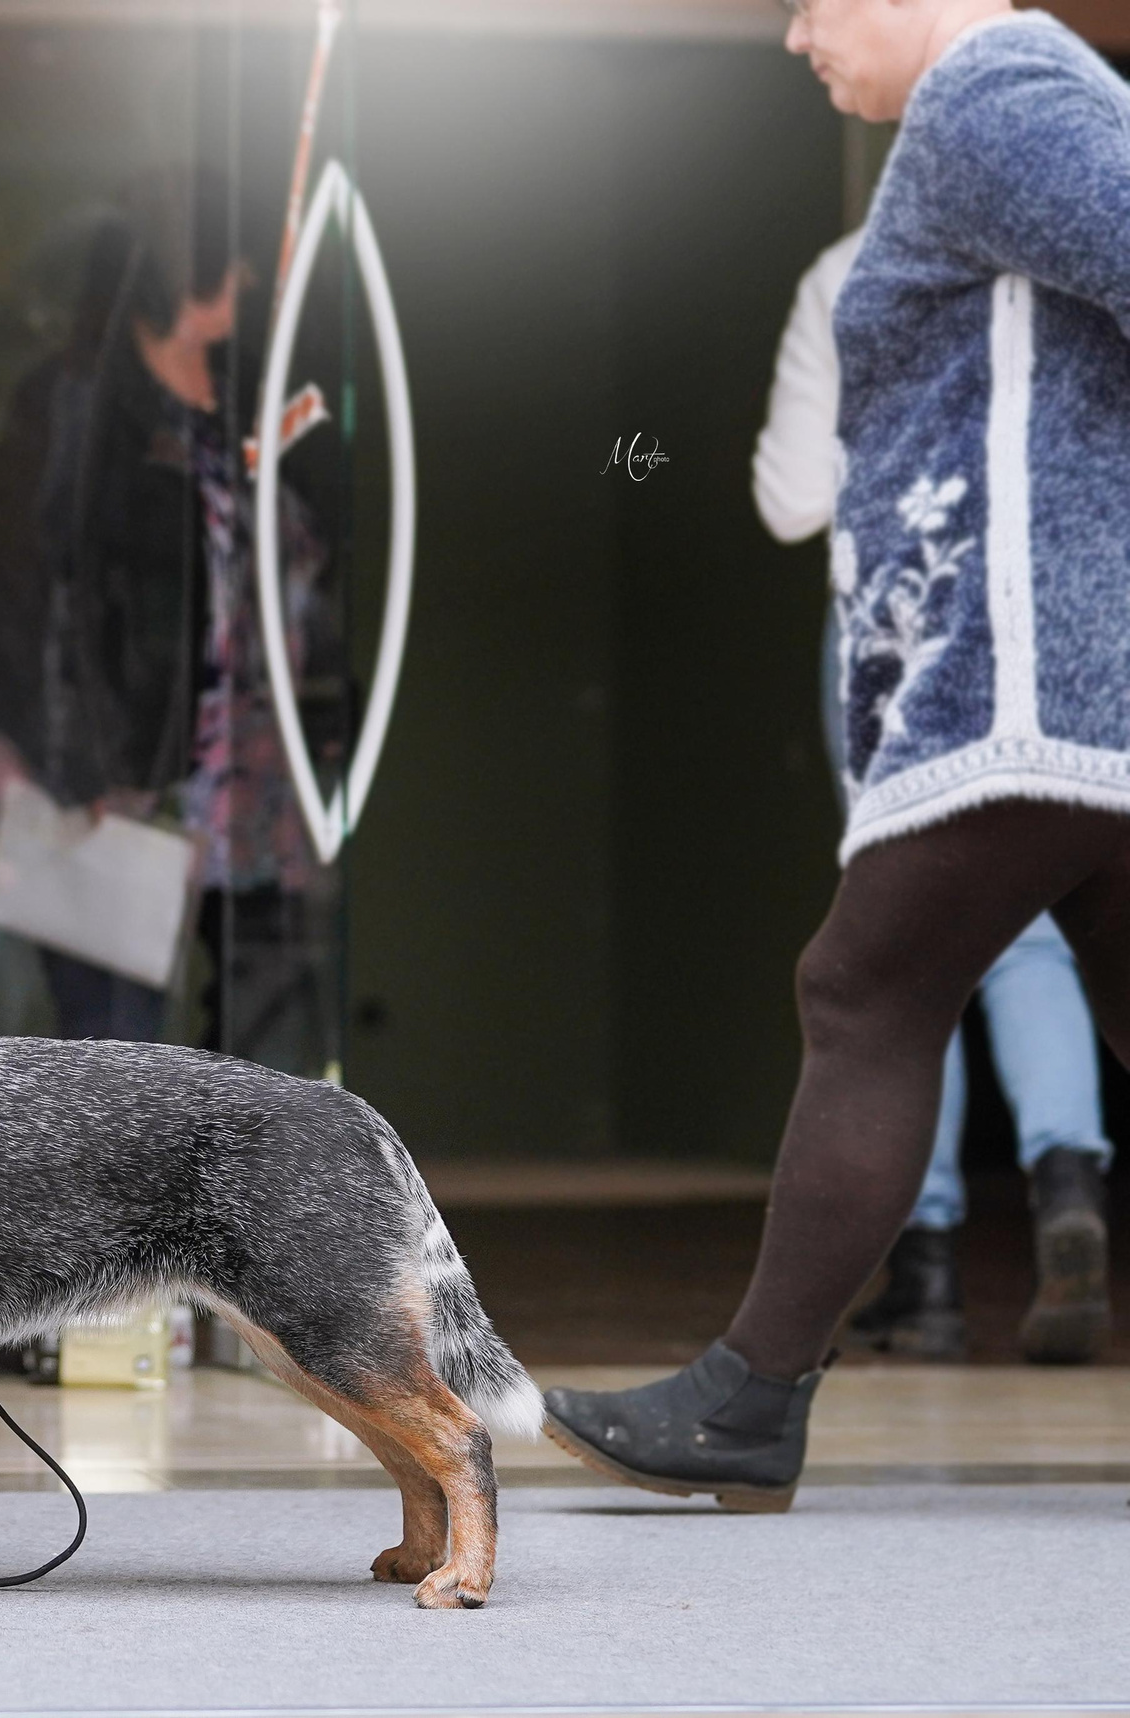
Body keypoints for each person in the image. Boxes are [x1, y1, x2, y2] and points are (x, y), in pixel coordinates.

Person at [547, 0, 1130, 1505]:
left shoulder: (989, 85)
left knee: (864, 986)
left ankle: (749, 1398)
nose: (799, 36)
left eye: (815, 0)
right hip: (1066, 657)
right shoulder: (1015, 96)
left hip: (1029, 667)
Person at [754, 227, 1115, 1363]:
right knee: (1040, 939)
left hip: (899, 626)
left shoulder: (842, 268)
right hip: (1060, 623)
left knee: (901, 951)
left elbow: (790, 497)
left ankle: (928, 1268)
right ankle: (1069, 1188)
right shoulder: (1067, 249)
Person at [0, 169, 327, 1052]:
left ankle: (241, 1195)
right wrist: (76, 761)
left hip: (259, 777)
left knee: (261, 1046)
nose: (247, 284)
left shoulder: (251, 398)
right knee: (115, 1051)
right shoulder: (77, 404)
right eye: (232, 265)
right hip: (125, 777)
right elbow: (23, 588)